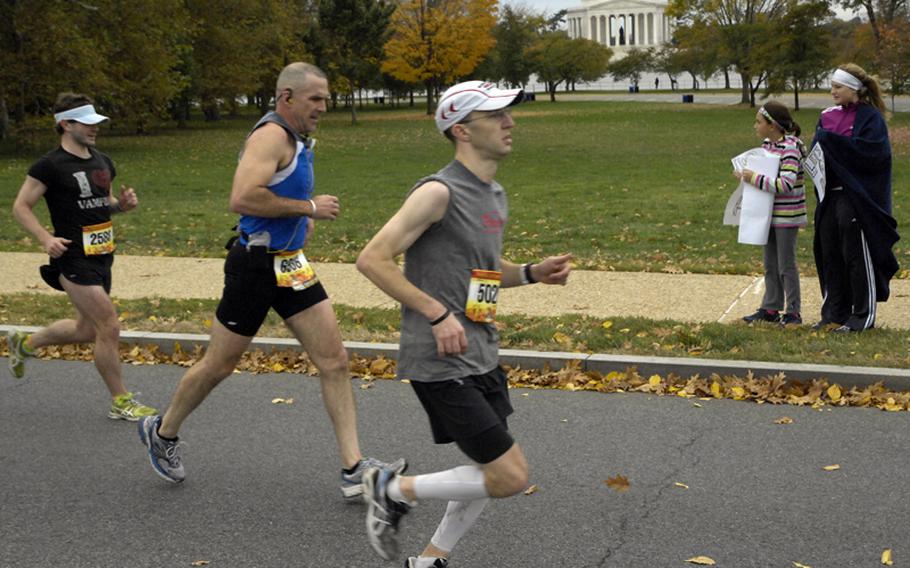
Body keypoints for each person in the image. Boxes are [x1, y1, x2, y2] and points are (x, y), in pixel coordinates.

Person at [137, 62, 403, 489]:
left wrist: (300, 223)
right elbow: (242, 197)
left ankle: (354, 468)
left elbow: (279, 191)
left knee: (334, 360)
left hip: (291, 264)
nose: (324, 106)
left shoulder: (296, 138)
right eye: (315, 98)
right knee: (219, 365)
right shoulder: (271, 136)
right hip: (255, 267)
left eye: (326, 98)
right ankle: (163, 431)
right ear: (287, 97)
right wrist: (309, 209)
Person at [356, 80, 572, 567]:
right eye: (495, 116)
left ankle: (431, 559)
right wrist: (436, 313)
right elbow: (372, 259)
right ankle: (391, 488)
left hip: (480, 350)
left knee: (485, 470)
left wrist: (534, 274)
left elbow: (483, 275)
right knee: (510, 477)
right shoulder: (438, 192)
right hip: (441, 360)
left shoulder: (493, 194)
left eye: (508, 114)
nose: (510, 122)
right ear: (461, 130)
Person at [8, 92, 157, 421]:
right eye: (87, 123)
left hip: (103, 255)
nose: (95, 129)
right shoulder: (49, 166)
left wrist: (123, 206)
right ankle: (121, 401)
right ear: (65, 124)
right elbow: (20, 207)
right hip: (72, 258)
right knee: (110, 325)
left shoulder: (102, 161)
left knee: (86, 330)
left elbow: (102, 204)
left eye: (96, 123)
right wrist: (45, 238)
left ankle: (25, 344)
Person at [810, 64, 899, 332]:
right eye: (832, 86)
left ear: (854, 89)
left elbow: (873, 156)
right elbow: (820, 148)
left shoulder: (871, 119)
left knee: (855, 255)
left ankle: (861, 316)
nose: (832, 91)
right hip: (830, 196)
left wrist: (831, 143)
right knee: (830, 252)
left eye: (838, 87)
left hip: (856, 198)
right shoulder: (826, 117)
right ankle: (834, 313)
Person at [736, 100, 808, 326]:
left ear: (773, 125)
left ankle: (793, 311)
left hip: (787, 216)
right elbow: (762, 175)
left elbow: (786, 184)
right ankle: (771, 307)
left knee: (786, 264)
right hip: (766, 214)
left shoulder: (791, 148)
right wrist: (743, 174)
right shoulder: (767, 146)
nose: (755, 126)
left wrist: (753, 178)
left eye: (758, 122)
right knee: (770, 263)